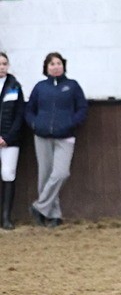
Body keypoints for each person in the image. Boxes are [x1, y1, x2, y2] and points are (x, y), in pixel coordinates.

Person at [24, 52, 87, 228]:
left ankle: (39, 206)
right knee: (44, 176)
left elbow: (82, 108)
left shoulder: (72, 86)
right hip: (42, 136)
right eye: (52, 64)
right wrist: (35, 125)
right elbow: (29, 110)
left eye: (58, 63)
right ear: (46, 68)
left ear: (63, 66)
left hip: (65, 136)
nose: (56, 66)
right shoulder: (40, 87)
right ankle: (53, 215)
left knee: (61, 173)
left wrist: (71, 123)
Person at [0, 52, 25, 230]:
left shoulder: (15, 86)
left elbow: (19, 115)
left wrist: (7, 137)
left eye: (4, 63)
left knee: (8, 174)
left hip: (10, 140)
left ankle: (6, 217)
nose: (2, 67)